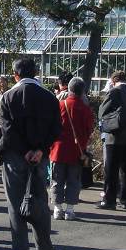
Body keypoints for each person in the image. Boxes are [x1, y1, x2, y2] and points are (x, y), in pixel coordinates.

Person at [0, 58, 61, 250]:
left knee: (15, 202)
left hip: (15, 155)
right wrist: (41, 149)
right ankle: (45, 246)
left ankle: (21, 248)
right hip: (40, 157)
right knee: (40, 199)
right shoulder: (50, 97)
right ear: (36, 73)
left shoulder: (8, 97)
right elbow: (56, 129)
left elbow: (7, 129)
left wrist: (24, 150)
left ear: (15, 75)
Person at [49, 76, 93, 221]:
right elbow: (89, 130)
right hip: (76, 151)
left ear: (69, 89)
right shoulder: (85, 109)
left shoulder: (60, 105)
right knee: (74, 181)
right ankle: (70, 210)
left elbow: (52, 127)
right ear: (83, 91)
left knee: (57, 180)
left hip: (58, 150)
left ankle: (57, 209)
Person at [97, 71, 126, 210]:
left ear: (113, 80)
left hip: (114, 137)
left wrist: (108, 91)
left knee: (111, 169)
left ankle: (109, 200)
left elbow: (101, 112)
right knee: (125, 168)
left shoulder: (114, 92)